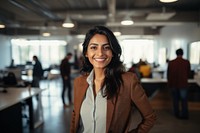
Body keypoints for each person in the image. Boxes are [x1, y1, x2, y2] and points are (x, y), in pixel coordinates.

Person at [70, 26, 156, 133]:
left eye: (106, 47)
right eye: (93, 47)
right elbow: (75, 116)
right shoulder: (79, 82)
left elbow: (150, 117)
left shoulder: (128, 81)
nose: (100, 53)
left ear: (113, 52)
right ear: (86, 53)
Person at [167, 48, 191, 119]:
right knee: (184, 100)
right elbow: (189, 73)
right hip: (183, 83)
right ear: (182, 53)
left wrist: (169, 84)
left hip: (173, 83)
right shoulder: (186, 62)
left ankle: (176, 114)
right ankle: (184, 115)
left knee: (175, 100)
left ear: (176, 54)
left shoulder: (171, 62)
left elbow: (168, 74)